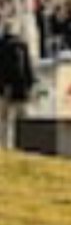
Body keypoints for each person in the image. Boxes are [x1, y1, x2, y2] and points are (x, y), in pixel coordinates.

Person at [0, 18, 34, 147]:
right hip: (20, 88)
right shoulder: (22, 45)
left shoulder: (2, 45)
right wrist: (30, 85)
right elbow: (28, 68)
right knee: (21, 119)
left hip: (4, 88)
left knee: (4, 120)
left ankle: (4, 145)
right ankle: (21, 144)